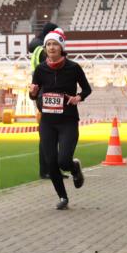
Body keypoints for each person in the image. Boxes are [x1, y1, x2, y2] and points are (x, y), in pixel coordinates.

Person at [29, 29, 91, 210]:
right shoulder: (40, 70)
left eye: (55, 44)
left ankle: (74, 168)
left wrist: (78, 97)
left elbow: (86, 89)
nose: (51, 47)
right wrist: (32, 93)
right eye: (48, 44)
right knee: (50, 162)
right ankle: (63, 197)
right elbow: (34, 93)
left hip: (68, 121)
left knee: (63, 160)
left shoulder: (73, 68)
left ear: (61, 47)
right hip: (47, 122)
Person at [29, 22, 62, 179]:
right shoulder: (45, 51)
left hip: (41, 93)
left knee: (49, 133)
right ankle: (49, 170)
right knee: (51, 134)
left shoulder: (36, 50)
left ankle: (48, 170)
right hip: (47, 94)